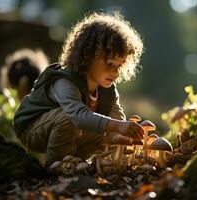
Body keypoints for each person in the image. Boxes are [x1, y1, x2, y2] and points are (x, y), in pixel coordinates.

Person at [13, 12, 144, 166]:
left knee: (103, 131)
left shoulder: (106, 88)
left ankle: (79, 163)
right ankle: (58, 166)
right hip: (33, 129)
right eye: (109, 64)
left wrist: (117, 134)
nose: (115, 72)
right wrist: (117, 126)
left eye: (119, 66)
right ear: (88, 57)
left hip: (68, 130)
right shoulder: (65, 81)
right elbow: (78, 115)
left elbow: (115, 113)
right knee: (69, 118)